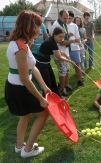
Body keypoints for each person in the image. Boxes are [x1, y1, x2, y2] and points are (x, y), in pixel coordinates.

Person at [4, 10, 51, 158]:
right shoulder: (21, 48)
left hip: (16, 86)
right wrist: (41, 99)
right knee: (43, 114)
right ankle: (28, 149)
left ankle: (20, 146)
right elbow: (25, 78)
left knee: (25, 116)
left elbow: (33, 67)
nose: (38, 30)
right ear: (29, 26)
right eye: (36, 26)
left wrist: (44, 86)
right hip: (20, 88)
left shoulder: (20, 43)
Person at [34, 26, 76, 98]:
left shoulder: (53, 40)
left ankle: (58, 96)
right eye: (60, 37)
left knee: (53, 81)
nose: (62, 39)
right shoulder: (52, 42)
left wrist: (65, 54)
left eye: (63, 37)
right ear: (55, 35)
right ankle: (47, 101)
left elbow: (57, 51)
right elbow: (59, 57)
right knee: (47, 84)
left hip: (46, 63)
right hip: (41, 64)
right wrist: (70, 61)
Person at [51, 9, 74, 96]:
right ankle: (62, 88)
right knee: (62, 71)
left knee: (67, 69)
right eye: (64, 18)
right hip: (58, 52)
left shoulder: (64, 24)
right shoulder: (56, 25)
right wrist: (73, 41)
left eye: (68, 18)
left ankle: (66, 85)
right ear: (59, 16)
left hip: (65, 51)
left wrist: (68, 35)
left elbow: (63, 36)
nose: (66, 20)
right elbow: (60, 41)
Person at [67, 11, 84, 86]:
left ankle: (80, 80)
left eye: (71, 18)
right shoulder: (62, 25)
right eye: (68, 18)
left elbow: (78, 36)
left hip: (75, 48)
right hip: (66, 48)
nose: (69, 20)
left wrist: (79, 41)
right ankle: (66, 84)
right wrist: (68, 35)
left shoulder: (74, 26)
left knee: (77, 64)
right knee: (66, 67)